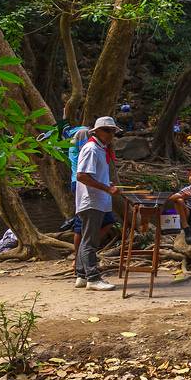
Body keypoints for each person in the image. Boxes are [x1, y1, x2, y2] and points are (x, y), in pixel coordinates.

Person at [72, 116, 121, 291]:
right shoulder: (92, 148)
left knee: (88, 239)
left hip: (97, 200)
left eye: (113, 131)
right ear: (97, 131)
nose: (110, 134)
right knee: (90, 241)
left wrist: (107, 185)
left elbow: (94, 175)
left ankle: (81, 275)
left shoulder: (100, 149)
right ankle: (93, 277)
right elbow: (82, 176)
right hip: (91, 201)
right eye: (107, 130)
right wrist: (106, 189)